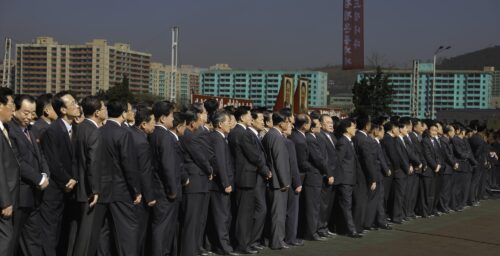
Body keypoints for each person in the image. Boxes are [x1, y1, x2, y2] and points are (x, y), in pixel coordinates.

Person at [98, 99, 142, 256]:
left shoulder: (99, 130)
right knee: (128, 231)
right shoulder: (124, 133)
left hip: (101, 189)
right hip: (121, 189)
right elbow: (129, 165)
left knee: (103, 231)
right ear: (123, 113)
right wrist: (136, 190)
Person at [39, 91, 80, 255]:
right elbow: (53, 161)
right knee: (51, 231)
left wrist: (75, 178)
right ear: (63, 110)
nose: (77, 106)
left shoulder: (77, 129)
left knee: (66, 230)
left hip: (72, 188)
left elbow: (78, 158)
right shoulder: (52, 130)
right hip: (56, 189)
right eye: (73, 103)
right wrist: (67, 180)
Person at [228, 107, 268, 254]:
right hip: (246, 178)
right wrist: (264, 169)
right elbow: (254, 155)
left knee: (243, 213)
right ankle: (243, 245)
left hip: (241, 177)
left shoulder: (235, 132)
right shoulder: (243, 133)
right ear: (242, 117)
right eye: (249, 115)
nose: (251, 118)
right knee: (244, 215)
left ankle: (243, 243)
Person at [70, 96, 107, 256]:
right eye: (104, 108)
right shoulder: (94, 131)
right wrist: (95, 190)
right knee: (86, 234)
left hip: (78, 187)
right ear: (97, 112)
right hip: (88, 191)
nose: (106, 111)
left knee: (76, 233)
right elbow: (93, 163)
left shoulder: (80, 127)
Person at [149, 102, 186, 256]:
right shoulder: (165, 136)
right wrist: (172, 190)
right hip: (165, 192)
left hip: (157, 188)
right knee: (163, 230)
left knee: (161, 228)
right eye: (171, 115)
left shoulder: (153, 133)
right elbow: (168, 166)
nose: (173, 119)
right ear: (163, 118)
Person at [262, 112, 292, 249]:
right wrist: (284, 181)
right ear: (281, 123)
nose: (289, 124)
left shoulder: (270, 135)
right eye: (287, 121)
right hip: (278, 183)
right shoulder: (276, 136)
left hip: (274, 181)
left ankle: (273, 240)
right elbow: (279, 161)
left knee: (275, 213)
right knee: (278, 214)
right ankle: (277, 242)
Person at [0, 87, 20, 256]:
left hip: (7, 196)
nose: (14, 109)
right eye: (12, 104)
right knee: (6, 239)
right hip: (3, 200)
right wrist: (5, 200)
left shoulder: (5, 129)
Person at [334, 118, 362, 238]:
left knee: (350, 204)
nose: (355, 129)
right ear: (347, 129)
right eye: (353, 127)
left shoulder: (349, 141)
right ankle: (351, 230)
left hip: (351, 179)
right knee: (346, 205)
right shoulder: (343, 142)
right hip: (345, 179)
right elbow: (338, 161)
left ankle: (349, 228)